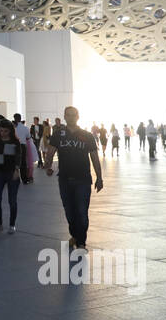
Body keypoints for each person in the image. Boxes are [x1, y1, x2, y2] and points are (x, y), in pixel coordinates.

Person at [43, 106, 104, 252]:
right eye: (68, 115)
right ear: (64, 117)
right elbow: (50, 153)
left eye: (73, 115)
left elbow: (94, 158)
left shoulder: (87, 135)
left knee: (82, 211)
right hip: (64, 179)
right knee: (69, 211)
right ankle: (75, 235)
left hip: (83, 179)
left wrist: (99, 177)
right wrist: (48, 166)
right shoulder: (58, 134)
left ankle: (81, 242)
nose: (71, 117)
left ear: (78, 117)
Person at [0, 117, 26, 234]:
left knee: (12, 201)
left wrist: (16, 170)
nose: (3, 133)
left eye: (5, 131)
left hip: (12, 173)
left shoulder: (15, 142)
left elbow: (18, 157)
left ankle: (12, 224)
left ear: (10, 131)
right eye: (1, 131)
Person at [13, 114, 38, 182]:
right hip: (22, 146)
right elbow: (28, 137)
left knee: (14, 162)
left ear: (14, 119)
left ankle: (15, 178)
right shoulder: (25, 128)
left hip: (14, 146)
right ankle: (24, 179)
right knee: (23, 162)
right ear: (20, 119)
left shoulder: (12, 127)